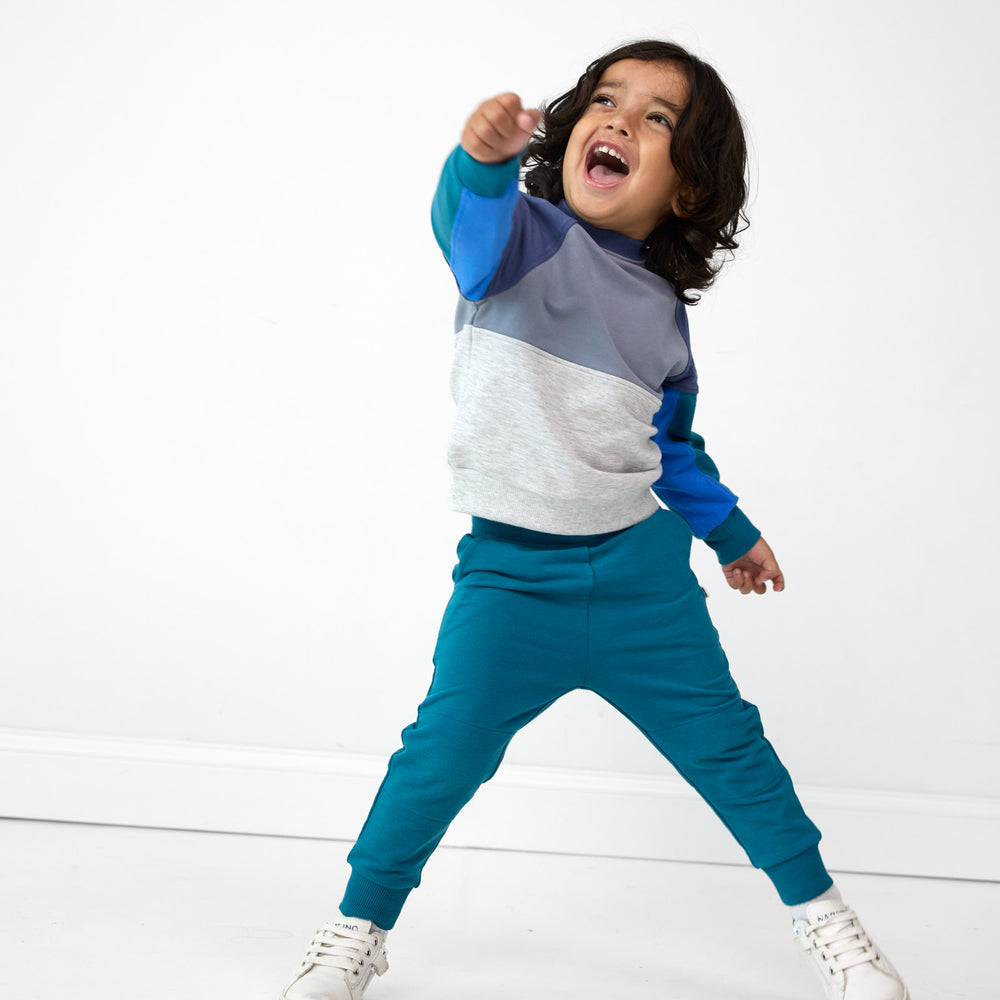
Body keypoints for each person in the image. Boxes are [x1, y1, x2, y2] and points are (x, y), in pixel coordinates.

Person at [278, 39, 910, 1000]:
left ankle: (830, 925)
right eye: (605, 103)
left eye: (656, 119)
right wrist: (481, 160)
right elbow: (467, 226)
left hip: (639, 583)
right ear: (569, 134)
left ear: (687, 190)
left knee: (732, 752)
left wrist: (732, 535)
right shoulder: (521, 239)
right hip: (508, 581)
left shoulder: (661, 311)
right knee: (438, 759)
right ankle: (353, 933)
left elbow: (671, 447)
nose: (618, 120)